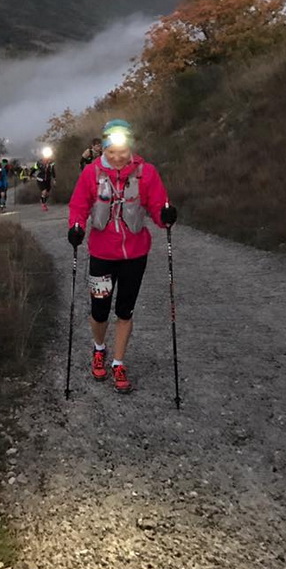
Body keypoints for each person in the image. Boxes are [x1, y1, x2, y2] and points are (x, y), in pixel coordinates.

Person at [67, 119, 177, 393]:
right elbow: (78, 205)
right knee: (99, 309)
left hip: (135, 256)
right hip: (102, 255)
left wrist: (166, 217)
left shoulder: (146, 173)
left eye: (123, 151)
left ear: (130, 148)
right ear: (103, 149)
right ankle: (99, 348)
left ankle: (118, 362)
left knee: (125, 310)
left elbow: (157, 206)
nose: (117, 157)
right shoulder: (91, 173)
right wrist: (76, 228)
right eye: (112, 151)